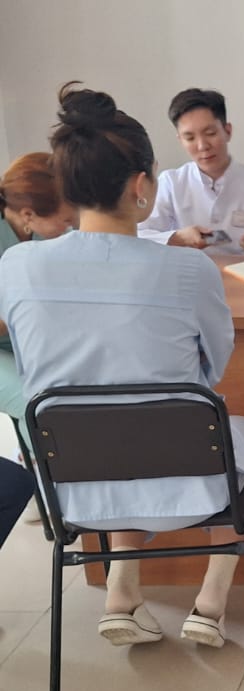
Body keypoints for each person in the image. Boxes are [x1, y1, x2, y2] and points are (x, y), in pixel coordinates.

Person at [0, 82, 244, 649]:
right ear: (142, 185)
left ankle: (122, 593)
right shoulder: (189, 271)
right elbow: (215, 367)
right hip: (190, 482)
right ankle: (210, 604)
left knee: (112, 428)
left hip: (72, 492)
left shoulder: (16, 266)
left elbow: (30, 365)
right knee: (243, 435)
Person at [0, 152, 78, 532]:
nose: (71, 226)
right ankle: (59, 492)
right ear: (28, 214)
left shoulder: (36, 235)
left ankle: (42, 475)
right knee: (42, 405)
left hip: (28, 343)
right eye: (65, 220)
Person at [137, 88, 244, 255]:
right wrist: (177, 238)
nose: (202, 146)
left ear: (227, 131)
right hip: (189, 272)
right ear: (180, 140)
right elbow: (138, 236)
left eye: (210, 133)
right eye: (190, 138)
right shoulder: (171, 183)